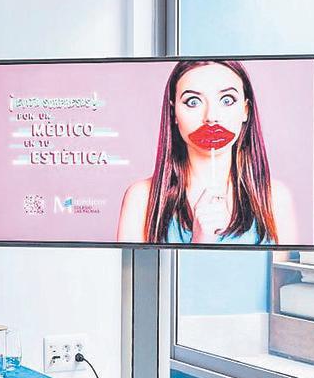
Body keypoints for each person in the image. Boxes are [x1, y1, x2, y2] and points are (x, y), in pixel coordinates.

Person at [116, 59, 297, 245]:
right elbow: (132, 274)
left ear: (245, 110)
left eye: (227, 100)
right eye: (193, 102)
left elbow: (286, 275)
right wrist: (199, 242)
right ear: (173, 114)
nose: (211, 117)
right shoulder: (141, 199)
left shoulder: (276, 198)